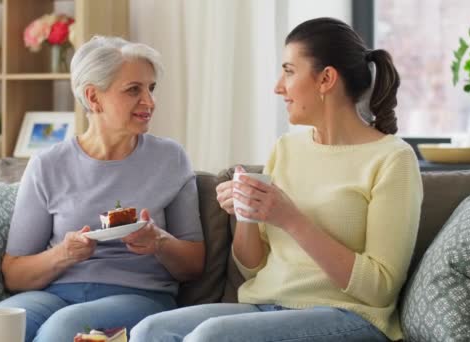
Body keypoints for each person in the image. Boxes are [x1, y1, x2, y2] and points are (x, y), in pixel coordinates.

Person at [130, 17, 423, 342]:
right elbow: (252, 266)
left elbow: (379, 289)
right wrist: (247, 213)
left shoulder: (392, 159)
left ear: (326, 79)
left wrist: (290, 218)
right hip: (266, 306)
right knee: (150, 330)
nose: (278, 86)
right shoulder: (286, 148)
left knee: (211, 337)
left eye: (288, 71)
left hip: (349, 316)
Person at [0, 36, 205, 342]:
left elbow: (194, 265)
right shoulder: (47, 165)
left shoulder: (170, 159)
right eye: (134, 89)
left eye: (151, 88)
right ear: (93, 97)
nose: (149, 101)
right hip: (54, 294)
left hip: (139, 297)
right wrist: (63, 254)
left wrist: (159, 242)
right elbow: (14, 274)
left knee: (63, 329)